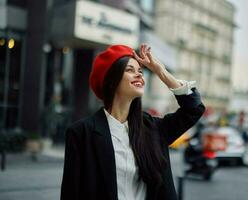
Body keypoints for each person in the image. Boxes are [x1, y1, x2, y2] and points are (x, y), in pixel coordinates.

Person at [60, 44, 206, 200]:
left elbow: (193, 109)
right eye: (130, 70)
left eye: (140, 71)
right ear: (111, 79)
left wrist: (161, 72)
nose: (139, 75)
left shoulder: (153, 129)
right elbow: (71, 192)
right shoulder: (82, 133)